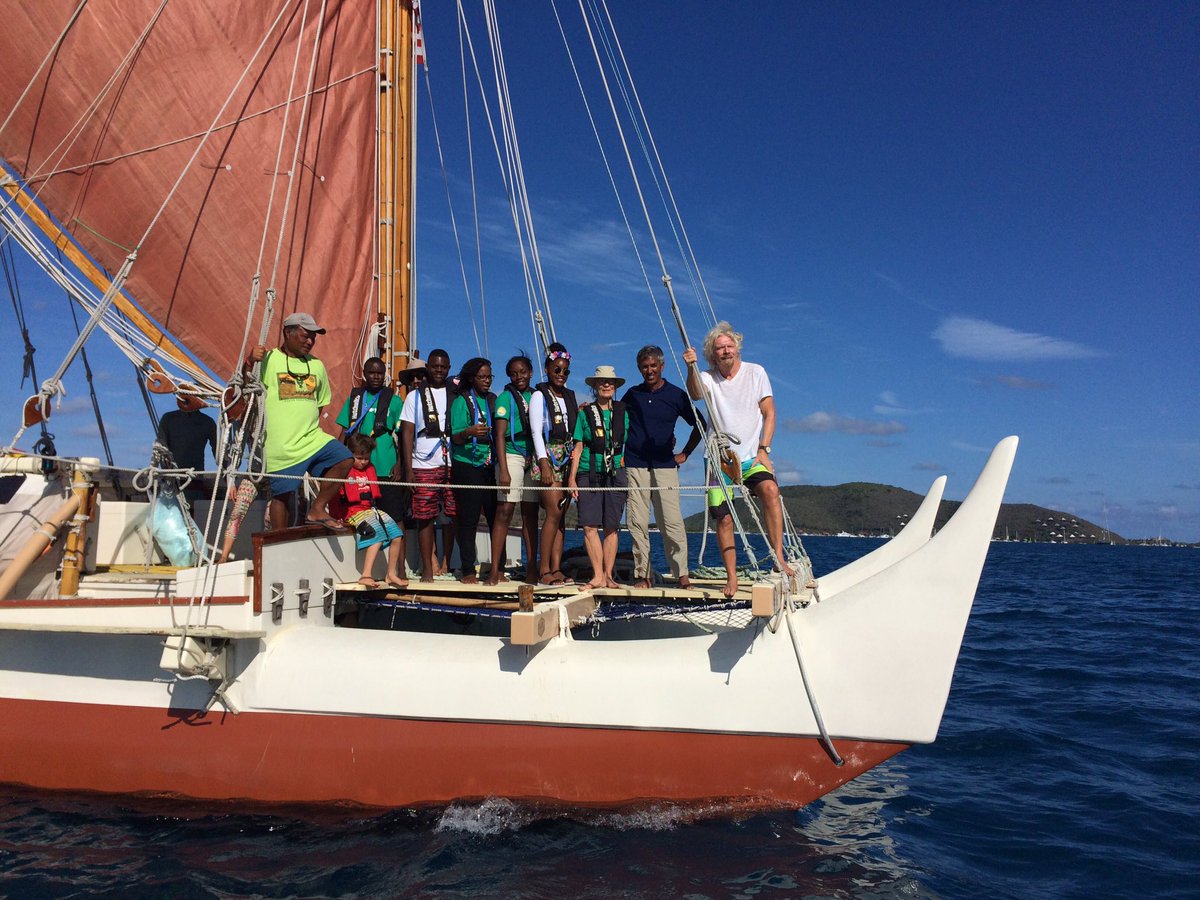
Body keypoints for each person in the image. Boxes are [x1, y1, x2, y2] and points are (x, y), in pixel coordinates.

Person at [683, 321, 794, 598]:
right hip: (720, 459)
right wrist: (691, 367)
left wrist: (763, 450)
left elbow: (769, 413)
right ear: (712, 354)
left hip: (751, 457)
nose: (726, 351)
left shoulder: (756, 373)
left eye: (730, 346)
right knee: (723, 519)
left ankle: (778, 557)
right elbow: (696, 392)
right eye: (720, 348)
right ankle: (731, 578)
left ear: (737, 348)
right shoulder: (707, 377)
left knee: (770, 490)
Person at [246, 312, 353, 531]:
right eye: (305, 336)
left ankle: (317, 509)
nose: (310, 341)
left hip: (311, 437)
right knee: (282, 496)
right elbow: (246, 388)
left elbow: (320, 402)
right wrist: (249, 362)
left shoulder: (317, 365)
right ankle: (279, 541)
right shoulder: (268, 359)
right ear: (288, 332)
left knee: (344, 459)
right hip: (280, 444)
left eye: (313, 337)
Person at [621, 345, 703, 589]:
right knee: (637, 522)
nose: (649, 370)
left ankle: (682, 575)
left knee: (671, 521)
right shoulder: (632, 394)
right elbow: (615, 419)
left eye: (653, 366)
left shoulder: (676, 395)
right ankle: (643, 576)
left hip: (665, 465)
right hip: (636, 464)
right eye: (644, 367)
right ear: (639, 368)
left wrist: (685, 453)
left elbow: (700, 424)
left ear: (662, 366)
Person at [568, 365, 630, 590]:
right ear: (595, 386)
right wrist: (572, 479)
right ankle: (596, 576)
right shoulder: (585, 413)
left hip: (615, 473)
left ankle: (608, 576)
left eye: (610, 382)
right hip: (588, 471)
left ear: (615, 387)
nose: (606, 385)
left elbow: (630, 444)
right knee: (589, 525)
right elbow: (578, 445)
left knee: (612, 526)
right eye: (602, 381)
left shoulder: (623, 412)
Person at [399, 349, 457, 581]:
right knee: (425, 516)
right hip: (423, 462)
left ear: (449, 368)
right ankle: (427, 568)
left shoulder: (457, 394)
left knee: (453, 513)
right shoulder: (414, 396)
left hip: (452, 462)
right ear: (428, 369)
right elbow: (407, 432)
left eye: (443, 367)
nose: (439, 371)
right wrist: (408, 468)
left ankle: (448, 562)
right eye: (435, 367)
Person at [529, 343, 577, 585]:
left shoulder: (569, 396)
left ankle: (557, 568)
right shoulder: (539, 395)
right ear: (547, 368)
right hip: (548, 455)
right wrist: (544, 463)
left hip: (566, 456)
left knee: (562, 516)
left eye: (565, 371)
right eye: (557, 370)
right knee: (553, 512)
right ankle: (544, 569)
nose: (561, 374)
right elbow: (536, 432)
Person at [490, 353, 539, 585]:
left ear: (530, 372)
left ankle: (532, 568)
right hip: (511, 454)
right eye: (514, 373)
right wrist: (504, 470)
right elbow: (499, 434)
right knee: (505, 511)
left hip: (534, 458)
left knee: (530, 514)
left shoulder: (537, 397)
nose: (519, 376)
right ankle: (494, 571)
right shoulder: (504, 399)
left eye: (523, 372)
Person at [335, 356, 404, 520]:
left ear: (384, 374)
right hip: (358, 469)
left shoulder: (394, 401)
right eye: (371, 372)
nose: (376, 376)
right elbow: (345, 431)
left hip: (386, 468)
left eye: (379, 373)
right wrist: (337, 461)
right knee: (358, 515)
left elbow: (402, 436)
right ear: (364, 374)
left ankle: (398, 546)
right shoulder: (355, 399)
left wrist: (399, 464)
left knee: (394, 518)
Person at [448, 357, 498, 584]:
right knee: (468, 518)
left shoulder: (492, 400)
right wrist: (469, 431)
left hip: (488, 464)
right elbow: (455, 437)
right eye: (482, 377)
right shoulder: (461, 401)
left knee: (494, 516)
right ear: (471, 378)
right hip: (467, 464)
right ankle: (468, 568)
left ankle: (498, 568)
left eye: (490, 377)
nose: (487, 381)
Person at [341, 432, 408, 589]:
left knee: (397, 535)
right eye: (359, 458)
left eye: (366, 458)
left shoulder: (370, 468)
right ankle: (366, 575)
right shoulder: (345, 470)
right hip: (354, 512)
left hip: (371, 509)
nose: (363, 462)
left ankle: (391, 574)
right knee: (376, 534)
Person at [157, 392, 217, 502]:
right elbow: (161, 447)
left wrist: (229, 478)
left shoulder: (207, 423)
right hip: (172, 480)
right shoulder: (168, 419)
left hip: (194, 480)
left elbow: (217, 451)